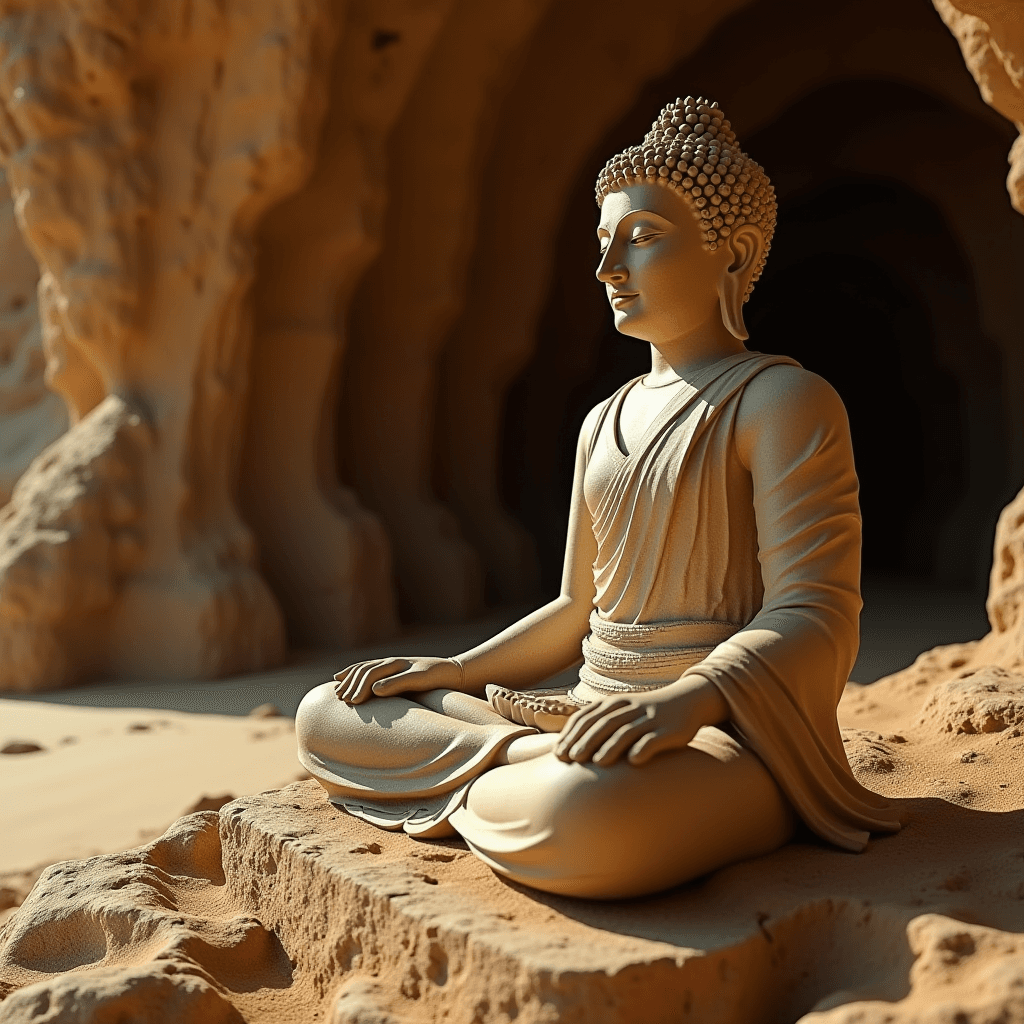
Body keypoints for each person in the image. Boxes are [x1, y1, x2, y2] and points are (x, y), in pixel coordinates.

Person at [296, 96, 900, 899]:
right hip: (582, 710)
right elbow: (579, 606)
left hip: (722, 733)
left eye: (642, 239)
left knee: (590, 815)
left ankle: (516, 769)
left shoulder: (783, 401)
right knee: (323, 715)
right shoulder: (603, 420)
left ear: (735, 252)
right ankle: (525, 757)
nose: (608, 268)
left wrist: (687, 703)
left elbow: (815, 612)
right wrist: (460, 668)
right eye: (604, 243)